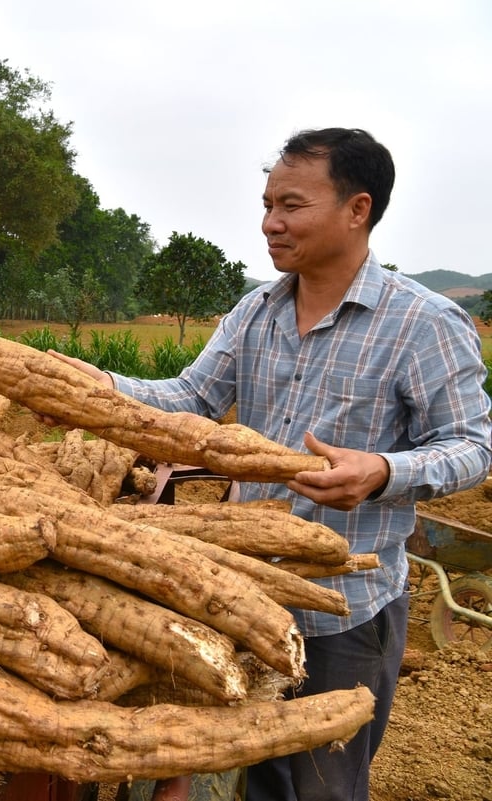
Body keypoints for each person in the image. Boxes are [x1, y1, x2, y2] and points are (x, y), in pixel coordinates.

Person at [51, 128, 492, 801]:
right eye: (266, 204)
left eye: (290, 205)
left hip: (347, 612)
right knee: (260, 776)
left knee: (324, 786)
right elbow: (190, 400)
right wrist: (99, 387)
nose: (270, 223)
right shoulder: (255, 311)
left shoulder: (422, 323)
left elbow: (473, 446)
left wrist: (380, 470)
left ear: (357, 209)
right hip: (251, 598)